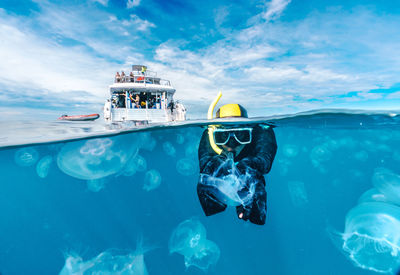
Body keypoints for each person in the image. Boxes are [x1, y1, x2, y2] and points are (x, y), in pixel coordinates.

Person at [197, 95, 277, 225]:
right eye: (222, 136)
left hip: (250, 169)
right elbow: (205, 167)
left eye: (241, 135)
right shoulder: (208, 136)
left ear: (250, 132)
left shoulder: (262, 132)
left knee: (255, 184)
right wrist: (216, 165)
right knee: (206, 184)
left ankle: (252, 212)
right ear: (214, 135)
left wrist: (249, 164)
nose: (231, 145)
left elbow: (265, 161)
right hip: (220, 185)